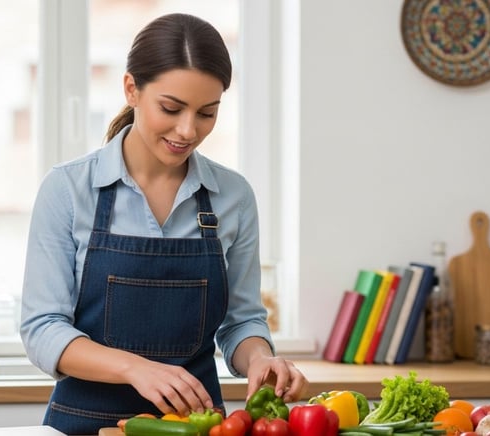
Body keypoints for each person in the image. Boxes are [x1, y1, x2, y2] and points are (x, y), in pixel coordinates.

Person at [20, 12, 307, 435]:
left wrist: (260, 358)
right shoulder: (68, 190)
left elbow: (242, 321)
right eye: (171, 109)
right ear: (131, 89)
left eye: (207, 113)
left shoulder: (233, 197)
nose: (187, 130)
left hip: (199, 426)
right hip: (81, 425)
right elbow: (42, 329)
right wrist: (136, 369)